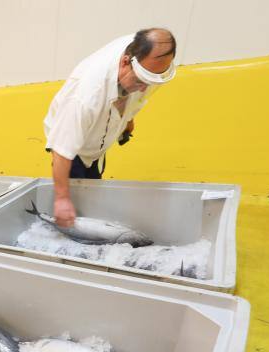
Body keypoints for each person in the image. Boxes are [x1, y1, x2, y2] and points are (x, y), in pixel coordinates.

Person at [43, 28, 177, 227]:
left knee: (94, 190)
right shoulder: (85, 96)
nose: (143, 88)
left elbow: (138, 95)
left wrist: (127, 119)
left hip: (99, 141)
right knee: (75, 201)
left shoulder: (147, 58)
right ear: (125, 62)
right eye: (141, 81)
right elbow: (61, 151)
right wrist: (61, 199)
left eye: (149, 82)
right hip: (73, 145)